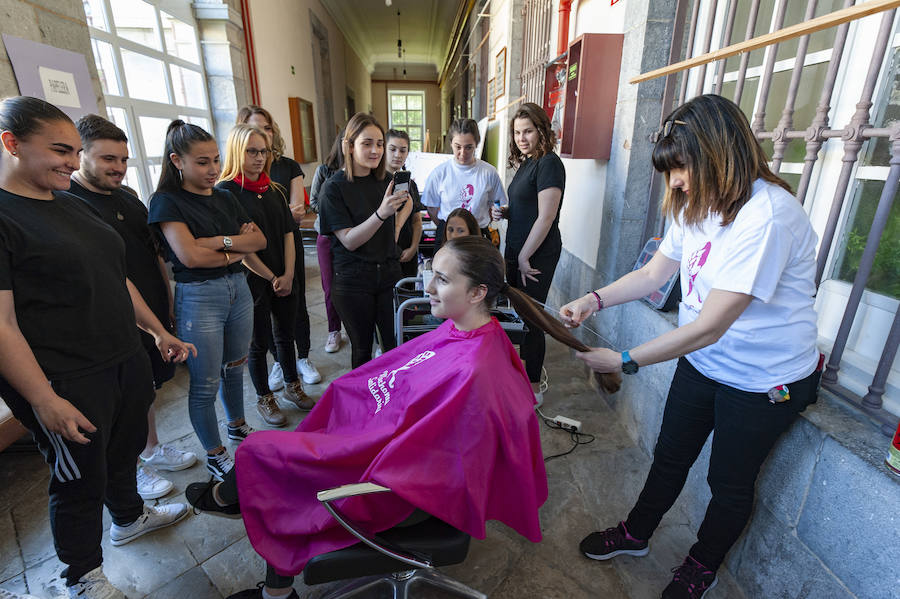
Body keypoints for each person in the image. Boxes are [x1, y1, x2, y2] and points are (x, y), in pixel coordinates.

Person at [187, 236, 559, 599]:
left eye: (443, 280)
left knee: (263, 452)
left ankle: (229, 504)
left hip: (404, 489)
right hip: (382, 444)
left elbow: (435, 463)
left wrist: (355, 448)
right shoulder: (462, 330)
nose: (429, 286)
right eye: (433, 273)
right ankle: (266, 566)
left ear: (477, 293)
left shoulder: (475, 371)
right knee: (292, 445)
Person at [559, 94, 821, 599]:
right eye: (670, 170)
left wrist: (626, 359)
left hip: (763, 379)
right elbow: (656, 272)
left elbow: (710, 325)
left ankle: (702, 564)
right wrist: (595, 299)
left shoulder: (766, 217)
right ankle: (636, 534)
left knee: (728, 482)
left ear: (718, 154)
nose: (675, 182)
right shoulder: (696, 205)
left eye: (681, 168)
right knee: (670, 455)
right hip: (704, 364)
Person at [0, 96, 196, 599]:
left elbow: (117, 279)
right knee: (79, 478)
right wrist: (44, 399)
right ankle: (80, 575)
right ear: (11, 144)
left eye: (74, 150)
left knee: (126, 448)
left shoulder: (71, 204)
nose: (71, 161)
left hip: (122, 355)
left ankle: (128, 518)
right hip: (64, 374)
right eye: (60, 150)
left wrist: (156, 331)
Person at [68, 114, 197, 501]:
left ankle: (151, 447)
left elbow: (152, 252)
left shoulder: (128, 197)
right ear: (81, 154)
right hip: (110, 319)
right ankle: (132, 467)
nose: (119, 168)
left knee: (145, 389)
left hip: (150, 309)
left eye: (123, 159)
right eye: (108, 159)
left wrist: (168, 301)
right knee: (120, 402)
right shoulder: (70, 203)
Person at [148, 120, 267, 481]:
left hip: (238, 289)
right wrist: (234, 243)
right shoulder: (167, 201)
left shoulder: (226, 197)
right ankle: (215, 455)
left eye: (216, 159)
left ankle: (237, 426)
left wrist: (217, 242)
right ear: (177, 161)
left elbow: (258, 242)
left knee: (235, 366)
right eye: (202, 162)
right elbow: (190, 259)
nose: (213, 169)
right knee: (204, 382)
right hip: (199, 297)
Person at [217, 124, 314, 427]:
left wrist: (287, 274)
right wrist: (273, 277)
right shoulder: (226, 193)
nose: (259, 158)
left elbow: (288, 233)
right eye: (252, 151)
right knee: (258, 343)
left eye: (264, 151)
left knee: (286, 335)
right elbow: (241, 247)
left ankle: (291, 384)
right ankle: (264, 397)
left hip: (284, 274)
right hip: (253, 279)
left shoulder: (274, 190)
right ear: (236, 152)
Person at [237, 106, 322, 390]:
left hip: (287, 248)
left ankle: (302, 360)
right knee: (262, 322)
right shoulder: (232, 187)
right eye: (255, 129)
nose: (263, 136)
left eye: (267, 128)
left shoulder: (285, 170)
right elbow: (243, 238)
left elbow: (296, 214)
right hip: (257, 261)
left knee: (294, 307)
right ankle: (278, 367)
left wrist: (280, 217)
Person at [318, 113, 408, 368]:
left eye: (379, 144)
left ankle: (394, 401)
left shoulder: (385, 182)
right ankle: (365, 405)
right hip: (354, 281)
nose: (376, 150)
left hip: (388, 275)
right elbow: (348, 241)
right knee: (362, 351)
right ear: (349, 145)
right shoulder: (333, 188)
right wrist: (382, 213)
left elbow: (390, 228)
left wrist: (397, 218)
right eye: (367, 143)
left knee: (394, 346)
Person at [492, 102, 565, 404]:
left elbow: (546, 217)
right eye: (517, 132)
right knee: (518, 315)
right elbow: (528, 206)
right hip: (517, 249)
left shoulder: (549, 163)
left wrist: (524, 258)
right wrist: (506, 212)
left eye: (528, 131)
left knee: (533, 321)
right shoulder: (527, 162)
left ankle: (534, 387)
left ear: (541, 130)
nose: (522, 138)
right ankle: (517, 376)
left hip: (536, 254)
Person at [422, 118, 507, 244]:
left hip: (478, 235)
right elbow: (432, 209)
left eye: (468, 147)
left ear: (476, 145)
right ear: (451, 143)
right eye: (458, 147)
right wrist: (449, 228)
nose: (462, 153)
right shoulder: (439, 174)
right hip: (448, 235)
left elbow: (499, 203)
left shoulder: (489, 172)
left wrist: (496, 212)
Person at [308, 132, 344, 354]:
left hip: (353, 236)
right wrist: (335, 213)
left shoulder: (361, 173)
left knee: (351, 286)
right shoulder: (324, 170)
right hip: (328, 235)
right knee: (330, 285)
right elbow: (313, 201)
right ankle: (334, 330)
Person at [384, 128, 424, 278]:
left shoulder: (411, 185)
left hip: (407, 251)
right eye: (392, 149)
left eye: (403, 150)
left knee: (407, 296)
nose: (397, 155)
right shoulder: (377, 183)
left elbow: (416, 221)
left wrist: (413, 248)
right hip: (384, 252)